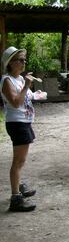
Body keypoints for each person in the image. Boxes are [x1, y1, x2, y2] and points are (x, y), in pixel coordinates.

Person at [1, 47, 38, 211]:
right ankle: (15, 198)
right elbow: (15, 102)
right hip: (17, 123)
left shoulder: (20, 79)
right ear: (10, 63)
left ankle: (19, 186)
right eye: (20, 60)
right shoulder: (6, 80)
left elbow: (25, 98)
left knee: (21, 160)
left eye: (24, 60)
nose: (24, 63)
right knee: (18, 161)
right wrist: (26, 86)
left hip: (24, 122)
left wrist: (35, 93)